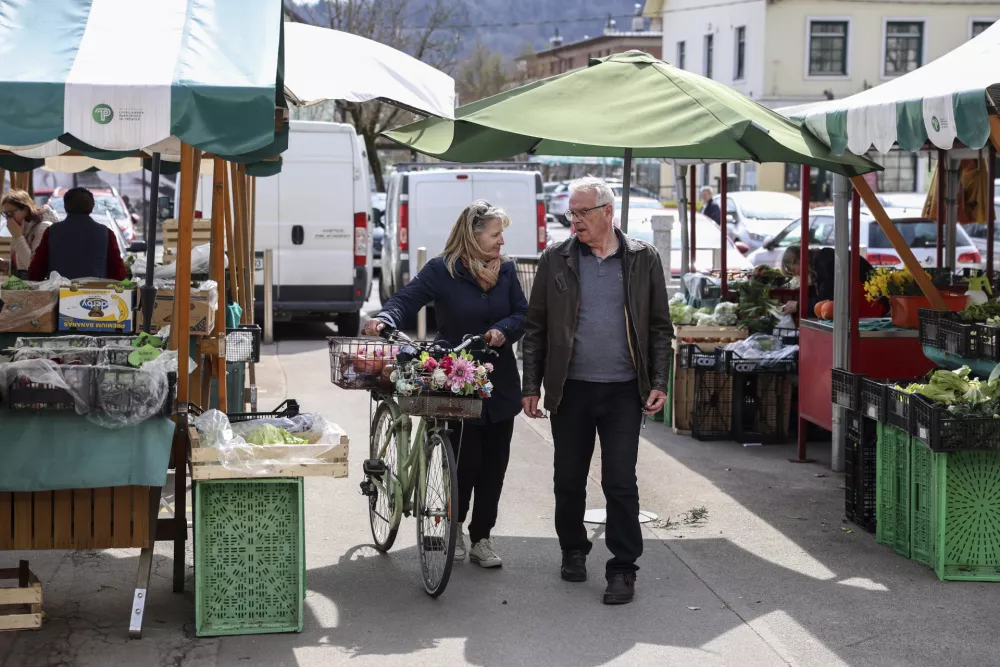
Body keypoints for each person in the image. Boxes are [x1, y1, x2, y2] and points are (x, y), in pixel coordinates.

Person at [521, 176, 672, 605]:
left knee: (620, 481)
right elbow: (536, 329)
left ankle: (623, 568)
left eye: (583, 212)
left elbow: (661, 327)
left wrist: (659, 380)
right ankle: (573, 548)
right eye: (572, 213)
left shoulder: (644, 258)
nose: (575, 221)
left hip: (625, 391)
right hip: (571, 390)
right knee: (568, 480)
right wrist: (532, 385)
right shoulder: (557, 258)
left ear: (608, 213)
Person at [364, 200, 528, 569]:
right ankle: (454, 529)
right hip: (455, 379)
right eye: (495, 234)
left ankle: (483, 537)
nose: (502, 242)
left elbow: (522, 312)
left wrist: (504, 330)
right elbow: (408, 299)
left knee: (494, 466)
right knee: (464, 463)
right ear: (473, 235)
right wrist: (384, 317)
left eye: (502, 234)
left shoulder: (507, 271)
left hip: (498, 383)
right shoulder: (443, 270)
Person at [28, 187, 128, 281]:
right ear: (92, 207)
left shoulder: (52, 232)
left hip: (59, 295)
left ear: (65, 206)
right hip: (96, 296)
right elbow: (118, 274)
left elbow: (36, 271)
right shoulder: (106, 233)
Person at [780, 244, 886, 317]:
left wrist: (798, 306)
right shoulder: (822, 259)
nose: (795, 275)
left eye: (793, 270)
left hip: (870, 307)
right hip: (866, 307)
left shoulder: (825, 262)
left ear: (799, 260)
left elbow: (825, 303)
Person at [0, 189, 53, 276]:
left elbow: (33, 266)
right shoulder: (20, 228)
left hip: (37, 287)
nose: (8, 218)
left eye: (10, 213)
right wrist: (4, 265)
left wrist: (18, 236)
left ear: (25, 209)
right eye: (5, 214)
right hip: (21, 285)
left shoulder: (43, 228)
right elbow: (20, 265)